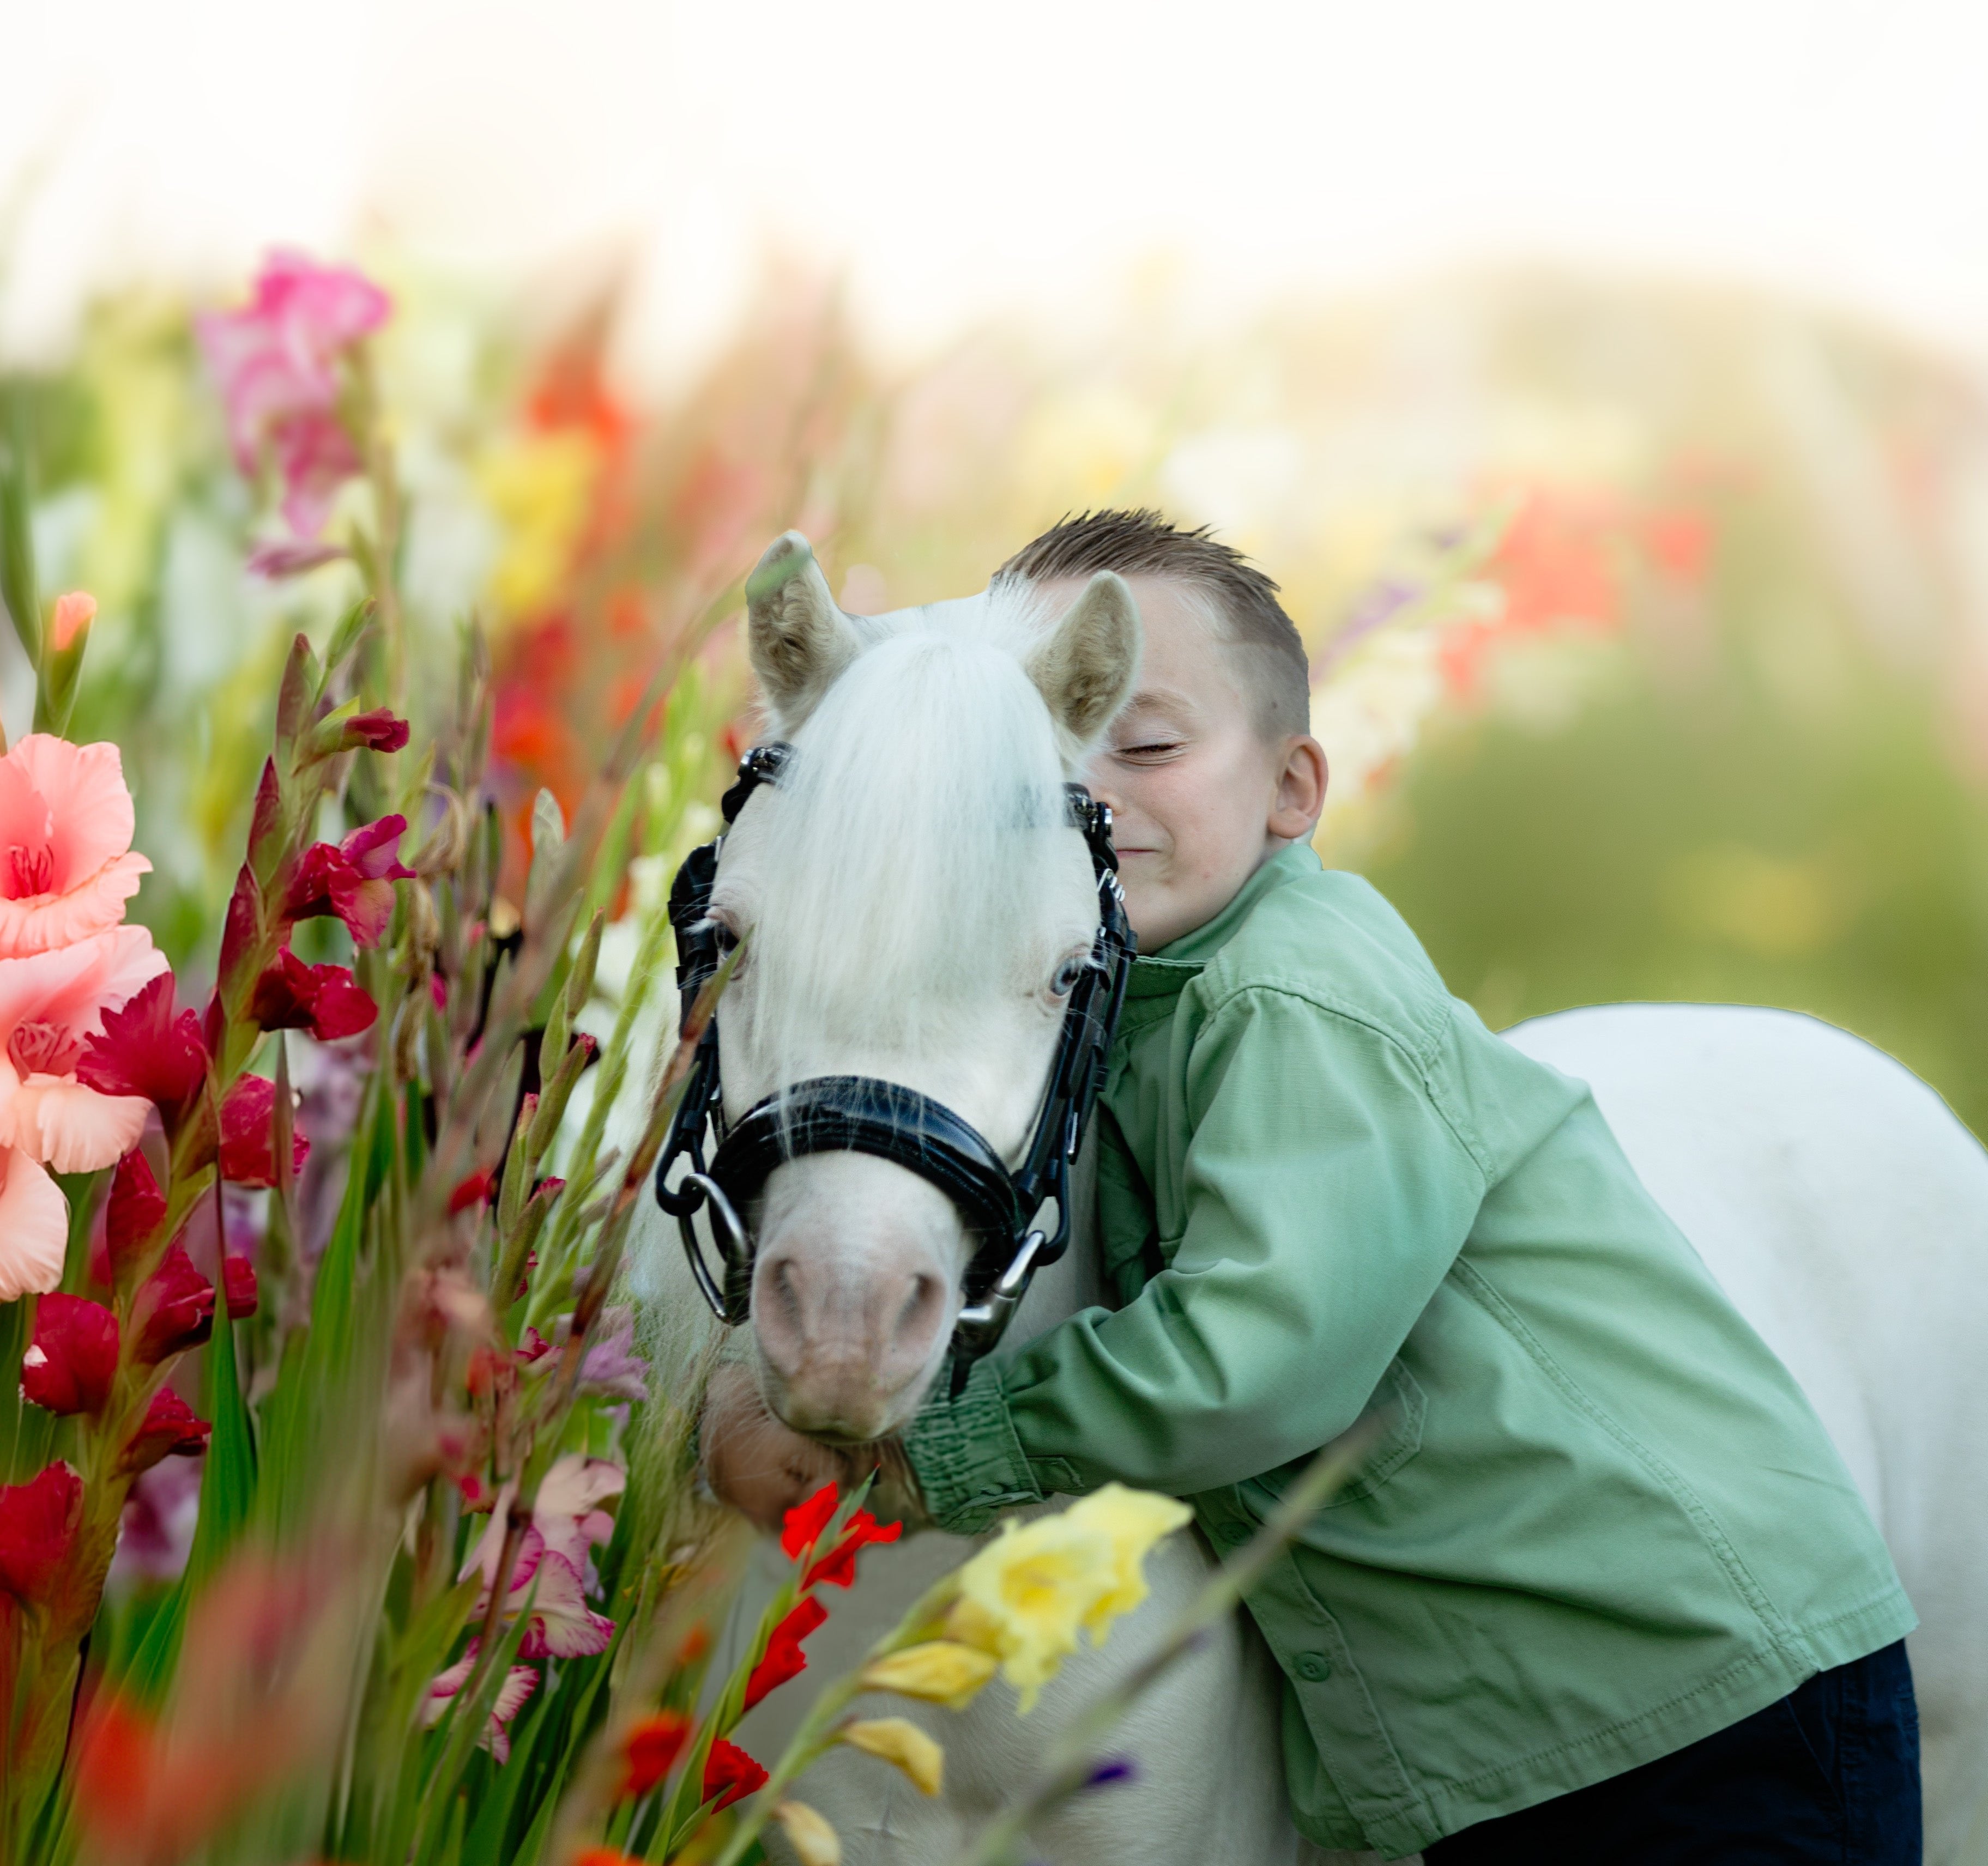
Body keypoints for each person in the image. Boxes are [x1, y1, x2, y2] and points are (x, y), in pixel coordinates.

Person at [718, 509, 1922, 1862]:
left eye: (1148, 740)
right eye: (1046, 739)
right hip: (1506, 1740)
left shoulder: (1300, 992)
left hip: (1689, 1700)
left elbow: (1262, 1354)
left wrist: (912, 1457)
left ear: (1292, 791)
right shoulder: (1112, 1006)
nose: (1083, 789)